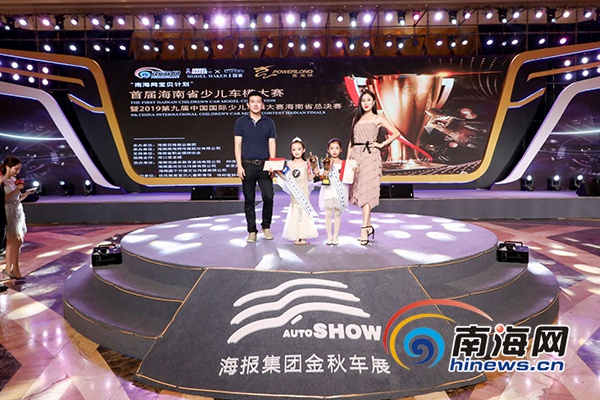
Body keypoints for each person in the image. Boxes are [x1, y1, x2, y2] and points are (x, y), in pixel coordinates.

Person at [348, 90, 405, 245]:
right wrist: (349, 161)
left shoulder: (378, 118)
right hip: (356, 155)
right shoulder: (356, 119)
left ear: (374, 102)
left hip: (370, 156)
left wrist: (382, 144)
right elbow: (351, 142)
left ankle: (364, 229)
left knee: (366, 191)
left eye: (369, 100)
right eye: (363, 100)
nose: (366, 103)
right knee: (360, 190)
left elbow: (396, 133)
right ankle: (368, 226)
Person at [234, 91, 277, 243]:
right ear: (248, 104)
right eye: (252, 101)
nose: (256, 104)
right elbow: (237, 145)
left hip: (265, 165)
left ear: (263, 105)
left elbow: (272, 143)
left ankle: (266, 226)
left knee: (268, 197)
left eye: (258, 101)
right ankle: (252, 231)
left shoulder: (269, 122)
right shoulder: (241, 122)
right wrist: (239, 165)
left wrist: (272, 164)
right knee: (249, 200)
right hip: (247, 165)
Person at [278, 138, 318, 245]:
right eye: (294, 149)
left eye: (299, 149)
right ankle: (296, 236)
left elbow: (309, 178)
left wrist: (315, 172)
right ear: (291, 151)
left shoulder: (307, 163)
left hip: (304, 191)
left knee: (304, 212)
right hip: (295, 192)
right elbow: (286, 178)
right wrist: (277, 172)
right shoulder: (289, 164)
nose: (296, 152)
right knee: (295, 211)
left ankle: (303, 236)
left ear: (303, 150)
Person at [1, 156, 33, 279]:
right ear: (8, 167)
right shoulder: (2, 180)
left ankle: (10, 269)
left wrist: (26, 194)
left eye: (19, 169)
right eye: (16, 168)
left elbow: (17, 198)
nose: (17, 171)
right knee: (15, 240)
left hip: (17, 210)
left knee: (15, 241)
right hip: (8, 211)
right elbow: (3, 199)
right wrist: (17, 190)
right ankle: (14, 270)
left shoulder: (13, 180)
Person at [318, 138, 348, 246]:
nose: (334, 151)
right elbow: (322, 176)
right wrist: (326, 170)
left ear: (341, 150)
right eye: (332, 148)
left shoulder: (344, 163)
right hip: (328, 190)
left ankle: (335, 236)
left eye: (337, 148)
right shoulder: (326, 162)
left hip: (340, 191)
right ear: (328, 150)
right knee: (328, 213)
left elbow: (347, 178)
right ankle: (329, 236)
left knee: (337, 213)